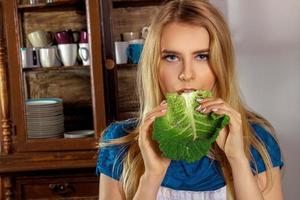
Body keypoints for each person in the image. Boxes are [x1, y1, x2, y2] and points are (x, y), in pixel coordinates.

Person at [96, 0, 284, 199]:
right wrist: (151, 176)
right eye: (171, 57)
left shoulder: (258, 142)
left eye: (202, 56)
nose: (187, 74)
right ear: (154, 67)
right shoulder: (118, 144)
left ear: (221, 64)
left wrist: (237, 159)